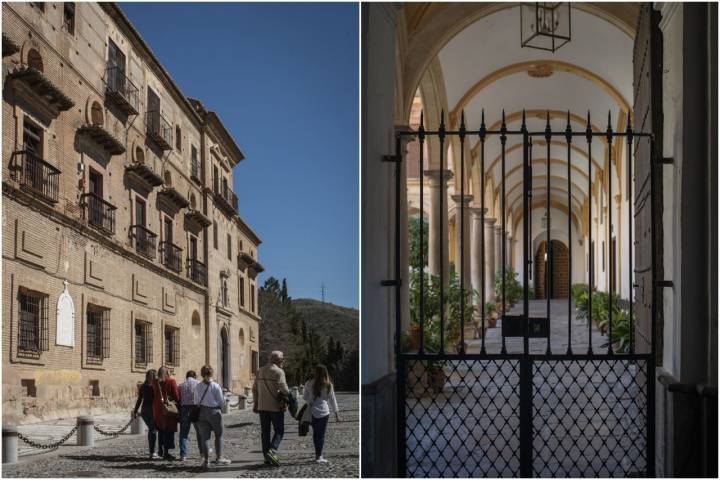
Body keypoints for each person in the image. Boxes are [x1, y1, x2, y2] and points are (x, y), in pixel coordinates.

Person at [252, 350, 289, 466]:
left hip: (262, 406)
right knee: (279, 430)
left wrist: (256, 403)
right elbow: (284, 390)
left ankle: (266, 458)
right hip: (275, 407)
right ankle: (272, 451)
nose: (283, 360)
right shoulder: (279, 372)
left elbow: (254, 388)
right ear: (277, 360)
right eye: (282, 359)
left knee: (265, 432)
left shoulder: (260, 371)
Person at [194, 365, 231, 469]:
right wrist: (225, 397)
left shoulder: (198, 386)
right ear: (212, 373)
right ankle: (219, 458)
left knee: (204, 438)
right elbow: (221, 401)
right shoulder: (215, 386)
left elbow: (196, 401)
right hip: (214, 411)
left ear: (202, 373)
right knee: (219, 434)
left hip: (201, 411)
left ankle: (206, 461)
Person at [303, 365, 340, 463]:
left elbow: (305, 397)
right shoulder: (328, 385)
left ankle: (317, 455)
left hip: (313, 411)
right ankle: (319, 456)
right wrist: (336, 414)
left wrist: (311, 399)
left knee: (315, 434)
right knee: (321, 434)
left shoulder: (308, 383)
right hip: (324, 411)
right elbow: (333, 400)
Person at [151, 365, 180, 460]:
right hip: (167, 408)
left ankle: (160, 450)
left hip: (157, 408)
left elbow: (153, 394)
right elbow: (176, 395)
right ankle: (166, 452)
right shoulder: (171, 381)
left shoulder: (154, 382)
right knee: (168, 430)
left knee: (160, 429)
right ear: (167, 373)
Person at [132, 369, 161, 459]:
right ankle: (152, 452)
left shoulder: (143, 387)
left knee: (152, 429)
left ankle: (153, 451)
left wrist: (136, 411)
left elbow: (139, 399)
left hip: (144, 411)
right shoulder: (154, 387)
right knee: (153, 430)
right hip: (152, 410)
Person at [178, 370, 202, 461]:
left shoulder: (181, 385)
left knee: (183, 433)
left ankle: (183, 455)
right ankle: (202, 453)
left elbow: (178, 397)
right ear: (195, 376)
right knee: (200, 432)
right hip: (196, 409)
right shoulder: (199, 384)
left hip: (184, 409)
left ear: (186, 377)